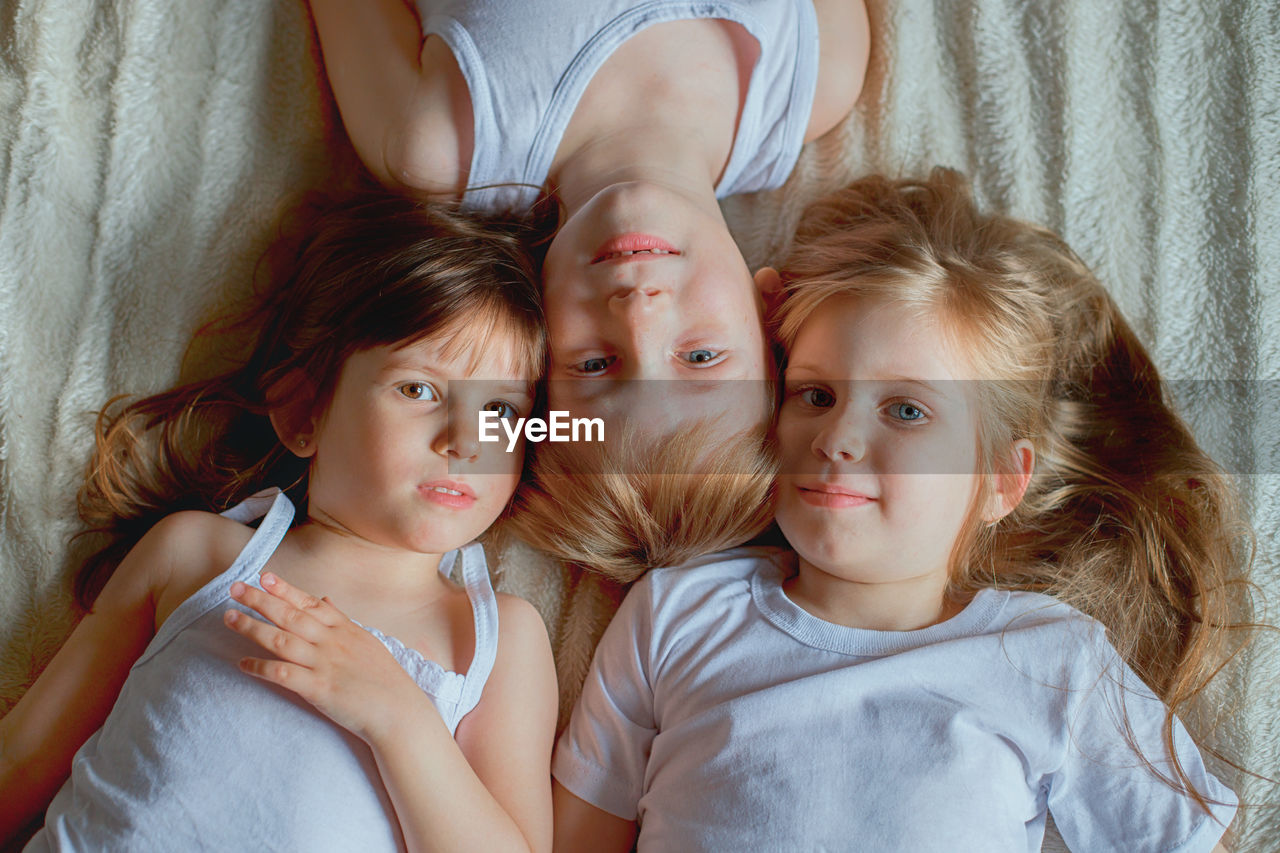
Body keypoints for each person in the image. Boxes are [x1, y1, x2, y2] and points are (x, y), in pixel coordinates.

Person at [550, 170, 1250, 851]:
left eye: (907, 409)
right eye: (815, 395)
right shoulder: (675, 614)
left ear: (1001, 480)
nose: (837, 438)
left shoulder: (1054, 659)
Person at [0, 194, 558, 852]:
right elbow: (23, 762)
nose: (464, 439)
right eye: (419, 390)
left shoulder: (496, 640)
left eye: (499, 411)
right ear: (304, 412)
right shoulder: (197, 555)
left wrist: (399, 716)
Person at [302, 1, 870, 575]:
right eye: (700, 357)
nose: (638, 311)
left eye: (596, 364)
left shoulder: (436, 143)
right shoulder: (813, 76)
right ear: (770, 309)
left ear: (538, 336)